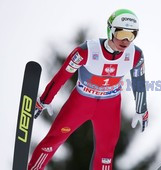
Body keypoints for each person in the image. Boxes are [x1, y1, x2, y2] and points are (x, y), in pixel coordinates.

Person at [28, 9, 149, 170]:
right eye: (121, 34)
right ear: (111, 30)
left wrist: (142, 109)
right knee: (53, 140)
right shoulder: (86, 51)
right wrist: (45, 99)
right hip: (81, 103)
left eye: (132, 35)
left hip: (109, 106)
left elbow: (139, 83)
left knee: (106, 154)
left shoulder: (135, 55)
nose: (126, 40)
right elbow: (62, 75)